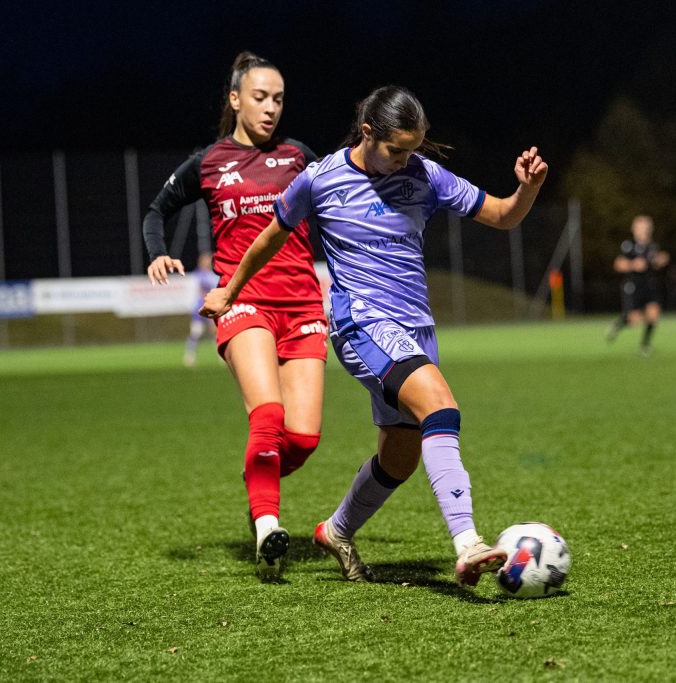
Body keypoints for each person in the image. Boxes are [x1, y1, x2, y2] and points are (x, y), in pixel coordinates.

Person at [203, 85, 549, 588]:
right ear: (368, 133)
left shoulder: (425, 175)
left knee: (400, 457)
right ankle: (468, 542)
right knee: (441, 408)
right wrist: (231, 290)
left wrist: (527, 190)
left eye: (413, 149)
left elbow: (502, 215)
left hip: (416, 328)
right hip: (361, 323)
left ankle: (336, 531)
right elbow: (271, 235)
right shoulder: (320, 179)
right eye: (397, 150)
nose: (406, 160)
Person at [142, 52, 327, 580]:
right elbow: (157, 210)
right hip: (241, 300)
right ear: (235, 99)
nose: (271, 108)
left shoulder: (299, 157)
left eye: (279, 99)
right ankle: (268, 526)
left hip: (302, 303)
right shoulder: (209, 162)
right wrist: (157, 252)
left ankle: (257, 482)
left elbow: (342, 201)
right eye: (260, 97)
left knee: (303, 438)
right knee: (267, 415)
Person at [605, 215, 670, 355]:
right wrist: (633, 264)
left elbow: (657, 261)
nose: (644, 229)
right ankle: (618, 324)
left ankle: (645, 346)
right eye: (641, 227)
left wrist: (661, 260)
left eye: (647, 227)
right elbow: (618, 264)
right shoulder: (628, 245)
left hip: (650, 284)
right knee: (635, 319)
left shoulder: (653, 246)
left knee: (653, 313)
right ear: (634, 229)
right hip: (634, 285)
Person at [183, 251, 220, 367]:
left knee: (215, 332)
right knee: (197, 332)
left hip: (212, 307)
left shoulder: (214, 274)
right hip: (199, 308)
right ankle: (190, 355)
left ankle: (221, 356)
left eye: (209, 260)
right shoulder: (197, 275)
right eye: (205, 260)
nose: (207, 262)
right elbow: (201, 289)